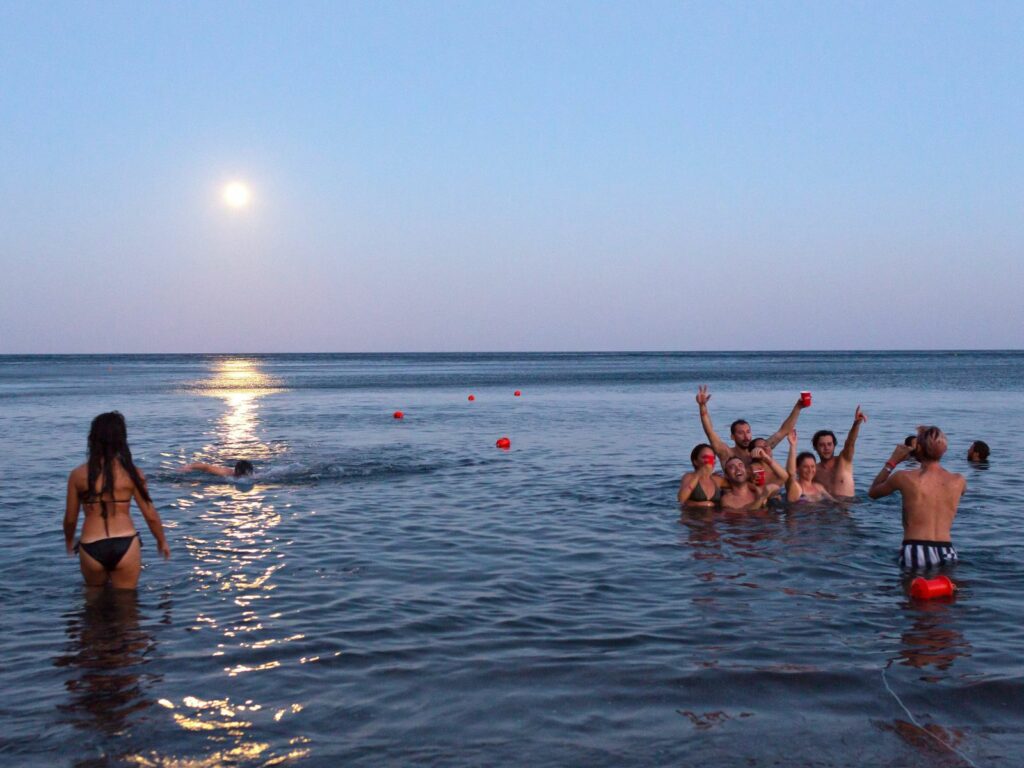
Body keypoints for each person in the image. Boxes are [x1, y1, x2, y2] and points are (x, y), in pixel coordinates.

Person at [64, 412, 170, 588]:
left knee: (93, 607)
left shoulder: (78, 475)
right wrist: (161, 540)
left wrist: (69, 539)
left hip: (91, 545)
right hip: (125, 543)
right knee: (128, 607)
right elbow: (150, 514)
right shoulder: (133, 474)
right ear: (122, 440)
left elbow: (70, 518)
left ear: (93, 438)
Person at [868, 426, 966, 570]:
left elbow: (873, 492)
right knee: (945, 591)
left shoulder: (904, 478)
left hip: (916, 548)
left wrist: (892, 461)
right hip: (947, 550)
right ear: (944, 450)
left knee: (911, 590)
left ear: (918, 448)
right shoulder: (959, 481)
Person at [696, 385, 806, 465]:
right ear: (732, 437)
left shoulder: (761, 448)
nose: (746, 436)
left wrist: (798, 408)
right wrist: (702, 407)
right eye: (741, 433)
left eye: (748, 432)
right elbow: (710, 432)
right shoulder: (726, 453)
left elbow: (783, 431)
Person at [811, 406, 868, 497]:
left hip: (847, 506)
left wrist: (856, 424)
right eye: (822, 445)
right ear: (815, 447)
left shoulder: (844, 460)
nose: (826, 448)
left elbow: (850, 443)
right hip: (823, 508)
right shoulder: (813, 470)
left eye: (829, 444)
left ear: (834, 445)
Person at [785, 430, 835, 503]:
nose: (810, 470)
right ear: (797, 469)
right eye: (805, 467)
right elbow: (790, 473)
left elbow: (835, 502)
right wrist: (793, 446)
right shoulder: (796, 487)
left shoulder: (818, 487)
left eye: (812, 466)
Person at [179, 460, 255, 478]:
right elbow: (206, 467)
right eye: (244, 473)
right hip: (201, 469)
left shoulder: (251, 475)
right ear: (237, 471)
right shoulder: (223, 473)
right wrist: (189, 467)